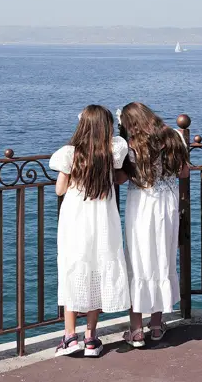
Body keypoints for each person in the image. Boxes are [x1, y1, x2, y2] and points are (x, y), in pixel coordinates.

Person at [50, 104, 130, 358]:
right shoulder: (113, 150)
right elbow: (118, 178)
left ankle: (69, 336)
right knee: (98, 269)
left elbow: (60, 190)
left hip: (75, 217)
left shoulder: (70, 154)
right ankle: (91, 339)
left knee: (74, 269)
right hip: (103, 217)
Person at [117, 102, 189, 347]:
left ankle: (136, 330)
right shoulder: (174, 137)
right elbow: (184, 173)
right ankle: (157, 326)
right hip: (166, 206)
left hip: (141, 205)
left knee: (137, 261)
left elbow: (122, 178)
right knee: (161, 258)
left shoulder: (131, 146)